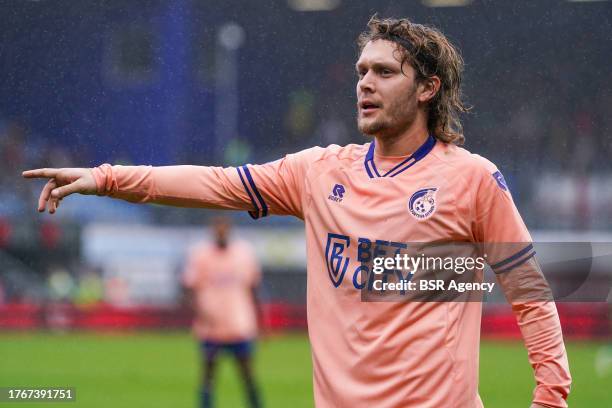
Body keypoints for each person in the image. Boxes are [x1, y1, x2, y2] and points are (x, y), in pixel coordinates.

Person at [23, 15, 571, 408]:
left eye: (384, 71)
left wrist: (551, 397)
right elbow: (215, 184)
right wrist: (106, 178)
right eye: (361, 71)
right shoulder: (319, 173)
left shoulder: (473, 179)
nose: (364, 83)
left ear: (429, 87)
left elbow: (529, 292)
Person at [182, 217, 262, 408]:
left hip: (240, 324)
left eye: (224, 230)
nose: (221, 234)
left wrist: (261, 322)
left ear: (229, 231)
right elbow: (189, 289)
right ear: (212, 232)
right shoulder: (200, 255)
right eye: (217, 230)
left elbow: (253, 289)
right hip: (210, 327)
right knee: (208, 376)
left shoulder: (243, 254)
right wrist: (201, 311)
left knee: (248, 374)